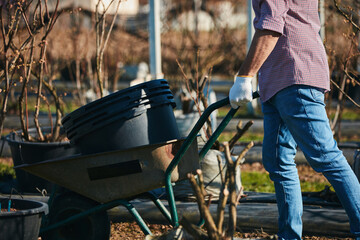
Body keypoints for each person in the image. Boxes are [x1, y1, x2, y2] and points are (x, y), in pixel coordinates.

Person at [229, 0, 360, 239]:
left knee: (325, 155)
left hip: (295, 73)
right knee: (277, 161)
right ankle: (289, 235)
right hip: (278, 80)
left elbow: (271, 25)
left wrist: (245, 76)